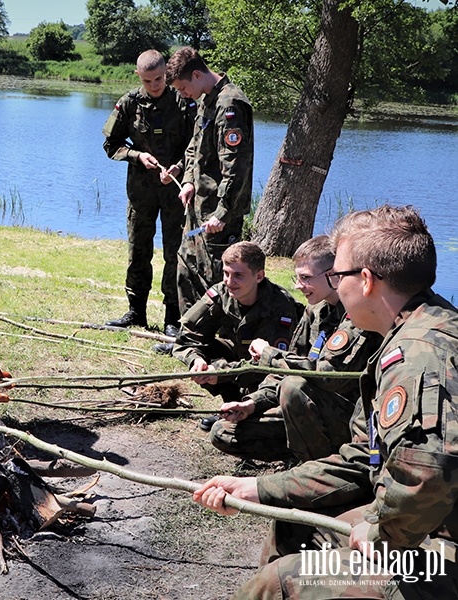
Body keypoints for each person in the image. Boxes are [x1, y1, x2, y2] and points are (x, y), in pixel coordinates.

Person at [193, 205, 458, 598]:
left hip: (441, 550)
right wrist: (258, 488)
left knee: (279, 582)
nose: (334, 282)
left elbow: (428, 476)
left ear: (366, 281)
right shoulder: (415, 328)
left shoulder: (417, 355)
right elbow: (359, 458)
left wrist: (381, 533)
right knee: (293, 522)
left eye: (339, 274)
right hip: (424, 523)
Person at [208, 235, 382, 461]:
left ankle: (317, 465)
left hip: (349, 419)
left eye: (306, 278)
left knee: (293, 387)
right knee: (222, 432)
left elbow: (330, 377)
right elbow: (288, 365)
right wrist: (253, 403)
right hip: (304, 410)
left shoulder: (358, 315)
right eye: (297, 277)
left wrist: (269, 354)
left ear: (332, 276)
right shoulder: (315, 311)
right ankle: (300, 452)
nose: (298, 286)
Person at [102, 49, 195, 336]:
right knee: (138, 250)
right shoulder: (129, 103)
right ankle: (136, 312)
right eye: (147, 81)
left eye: (158, 79)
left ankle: (171, 317)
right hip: (140, 191)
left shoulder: (183, 100)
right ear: (138, 77)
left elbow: (197, 145)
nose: (154, 86)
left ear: (166, 72)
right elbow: (111, 144)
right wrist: (137, 155)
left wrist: (179, 168)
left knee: (173, 253)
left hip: (174, 193)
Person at [165, 47, 254, 318]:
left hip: (217, 215)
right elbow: (195, 147)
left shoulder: (229, 104)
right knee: (186, 270)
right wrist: (189, 180)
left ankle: (216, 342)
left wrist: (223, 213)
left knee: (216, 279)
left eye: (182, 87)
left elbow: (235, 167)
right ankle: (188, 337)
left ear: (196, 74)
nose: (182, 94)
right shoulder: (206, 100)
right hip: (198, 207)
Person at [171, 242, 302, 419]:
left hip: (267, 376)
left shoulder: (281, 306)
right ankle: (230, 403)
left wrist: (220, 370)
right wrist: (196, 360)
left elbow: (272, 364)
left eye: (239, 275)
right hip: (238, 358)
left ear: (259, 276)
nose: (229, 282)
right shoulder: (220, 294)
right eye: (226, 273)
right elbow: (186, 338)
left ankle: (251, 406)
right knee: (208, 350)